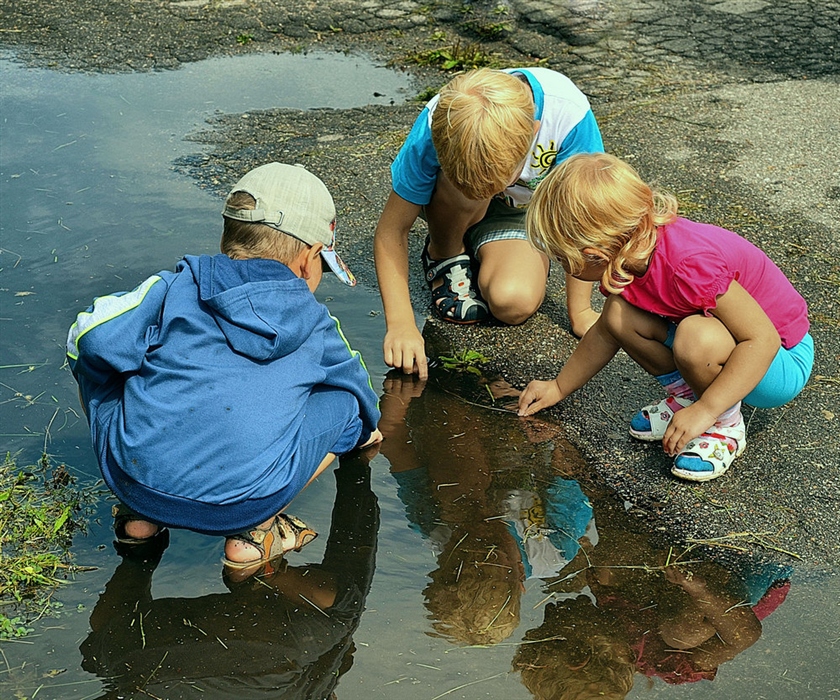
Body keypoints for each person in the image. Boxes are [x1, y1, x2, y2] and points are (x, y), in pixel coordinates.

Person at [66, 162, 382, 572]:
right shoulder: (317, 327)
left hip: (135, 481)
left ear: (227, 236)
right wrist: (366, 429)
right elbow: (362, 395)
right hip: (243, 505)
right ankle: (256, 533)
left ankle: (139, 520)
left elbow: (89, 338)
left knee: (101, 363)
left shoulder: (175, 287)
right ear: (309, 260)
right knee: (346, 403)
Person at [518, 152, 813, 481]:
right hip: (738, 344)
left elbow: (763, 338)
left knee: (695, 337)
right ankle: (690, 395)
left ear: (594, 254)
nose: (562, 267)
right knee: (616, 314)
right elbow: (604, 332)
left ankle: (725, 425)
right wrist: (558, 387)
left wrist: (707, 411)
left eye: (562, 259)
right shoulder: (627, 258)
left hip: (781, 358)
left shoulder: (688, 265)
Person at [374, 67, 605, 379]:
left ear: (534, 132)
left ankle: (489, 243)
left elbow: (582, 219)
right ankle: (445, 252)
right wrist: (401, 323)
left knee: (513, 302)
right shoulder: (440, 120)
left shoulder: (568, 115)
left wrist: (579, 311)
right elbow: (392, 230)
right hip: (452, 201)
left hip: (529, 211)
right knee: (465, 195)